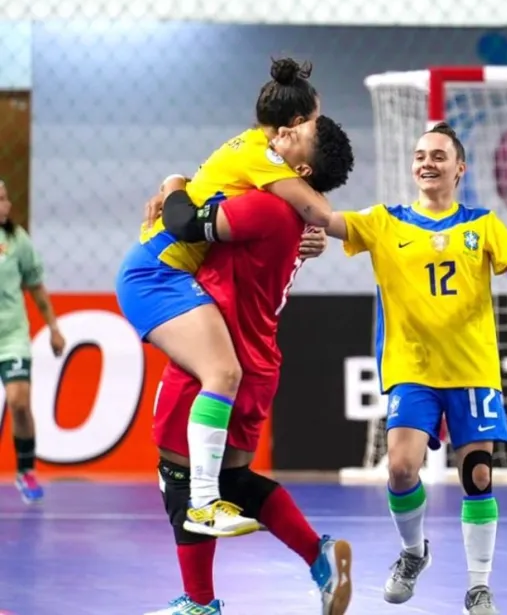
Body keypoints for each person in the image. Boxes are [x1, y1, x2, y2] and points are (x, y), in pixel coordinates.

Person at [322, 122, 507, 615]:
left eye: (439, 156)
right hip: (413, 369)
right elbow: (325, 218)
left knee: (478, 476)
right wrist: (281, 190)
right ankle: (413, 552)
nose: (427, 162)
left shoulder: (482, 223)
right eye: (421, 155)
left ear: (459, 168)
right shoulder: (384, 221)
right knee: (401, 468)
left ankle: (478, 585)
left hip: (471, 370)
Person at [116, 58, 346, 538]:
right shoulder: (264, 159)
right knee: (221, 373)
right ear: (288, 126)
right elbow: (318, 210)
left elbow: (297, 213)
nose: (308, 127)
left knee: (222, 381)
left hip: (174, 275)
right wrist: (371, 231)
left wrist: (174, 181)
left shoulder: (259, 165)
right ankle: (204, 504)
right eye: (310, 122)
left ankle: (205, 522)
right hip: (156, 274)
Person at [144, 119, 355, 615]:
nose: (277, 134)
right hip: (260, 360)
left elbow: (184, 220)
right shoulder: (299, 218)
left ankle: (198, 604)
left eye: (292, 135)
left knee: (179, 475)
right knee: (231, 481)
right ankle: (317, 554)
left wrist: (174, 183)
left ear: (298, 167)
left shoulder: (264, 206)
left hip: (214, 352)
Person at [0, 179, 65, 503]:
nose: (6, 206)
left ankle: (25, 470)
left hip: (10, 336)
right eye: (0, 200)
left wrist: (53, 327)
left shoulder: (15, 239)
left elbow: (36, 286)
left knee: (19, 402)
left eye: (5, 199)